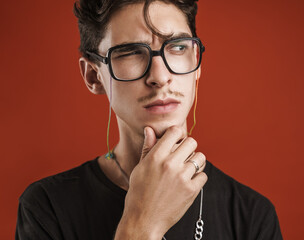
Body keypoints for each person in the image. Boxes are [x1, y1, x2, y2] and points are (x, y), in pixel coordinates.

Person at [16, 0, 282, 239]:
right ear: (93, 76)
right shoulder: (47, 207)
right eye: (130, 52)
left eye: (177, 47)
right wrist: (142, 225)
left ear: (197, 64)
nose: (160, 76)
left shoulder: (251, 215)